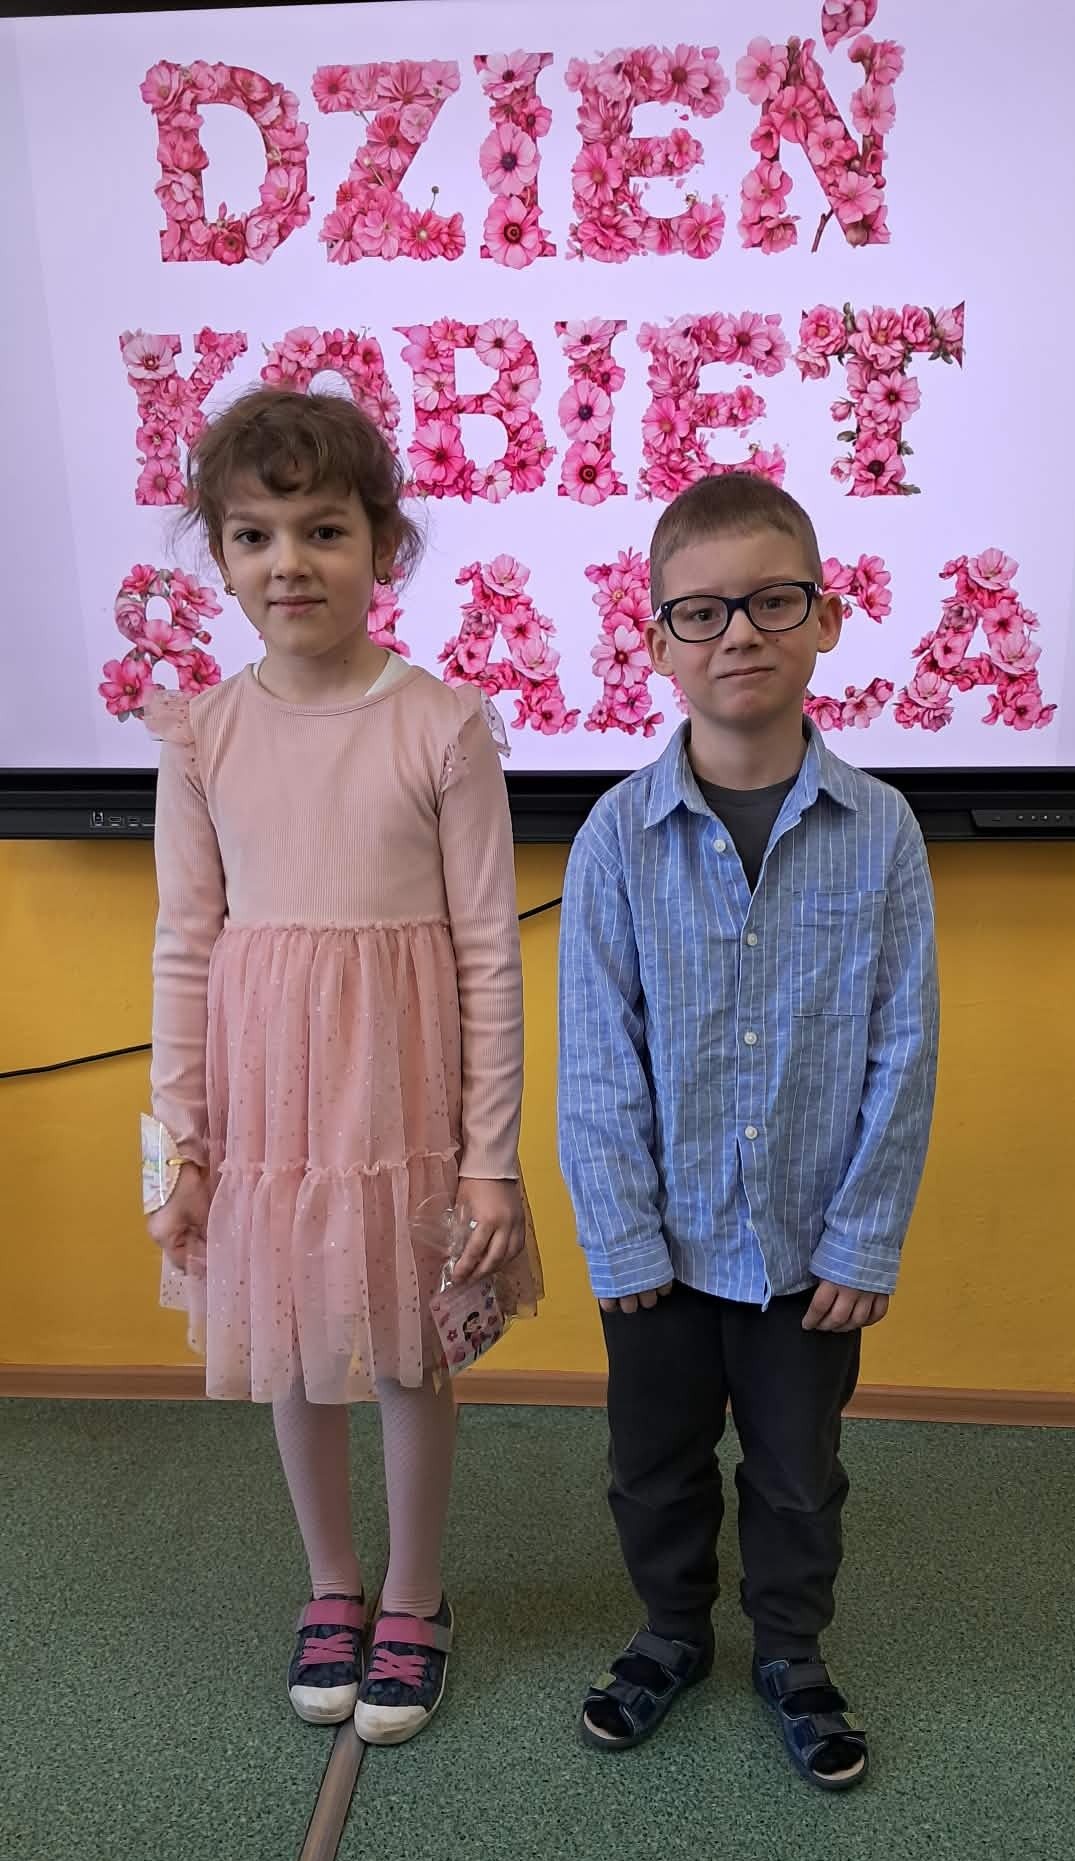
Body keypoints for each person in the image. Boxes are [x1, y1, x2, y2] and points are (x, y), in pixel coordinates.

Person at [143, 387, 539, 1744]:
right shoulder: (202, 735)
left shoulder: (443, 724)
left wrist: (489, 1161)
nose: (290, 563)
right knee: (298, 1351)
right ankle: (333, 1586)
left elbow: (489, 953)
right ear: (221, 557)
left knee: (411, 1354)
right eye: (254, 536)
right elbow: (183, 947)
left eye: (324, 529)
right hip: (270, 1112)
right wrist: (176, 1152)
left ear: (384, 545)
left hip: (402, 1102)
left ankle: (416, 1598)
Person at [558, 471, 938, 1789]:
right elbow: (596, 1058)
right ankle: (671, 1630)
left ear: (825, 618)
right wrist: (619, 1234)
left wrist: (865, 1238)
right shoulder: (615, 837)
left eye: (774, 602)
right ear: (657, 641)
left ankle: (791, 1648)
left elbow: (905, 1048)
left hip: (808, 1255)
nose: (739, 634)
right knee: (652, 1465)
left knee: (796, 1472)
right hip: (659, 1252)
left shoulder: (881, 832)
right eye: (703, 611)